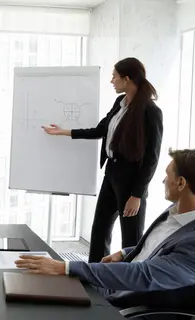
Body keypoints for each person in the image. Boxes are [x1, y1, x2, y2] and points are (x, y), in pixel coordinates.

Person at [15, 148, 195, 310]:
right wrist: (125, 252)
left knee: (46, 303)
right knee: (36, 285)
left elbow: (144, 275)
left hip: (132, 306)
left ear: (181, 183)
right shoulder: (178, 212)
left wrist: (66, 267)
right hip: (117, 288)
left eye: (168, 175)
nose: (164, 180)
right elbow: (159, 248)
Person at [43, 57, 163, 262]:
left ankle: (127, 288)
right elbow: (100, 130)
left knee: (131, 239)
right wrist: (64, 132)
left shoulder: (151, 112)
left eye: (114, 76)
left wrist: (137, 195)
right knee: (99, 230)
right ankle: (93, 276)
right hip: (112, 174)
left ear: (126, 79)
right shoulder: (120, 102)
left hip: (132, 183)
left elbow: (152, 157)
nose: (111, 81)